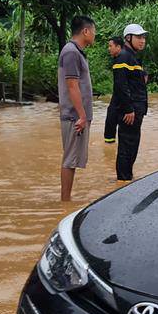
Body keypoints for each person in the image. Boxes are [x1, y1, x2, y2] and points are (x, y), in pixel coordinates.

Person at [58, 15, 96, 202]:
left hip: (77, 115)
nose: (95, 35)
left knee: (72, 159)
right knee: (70, 159)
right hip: (74, 116)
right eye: (94, 31)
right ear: (85, 31)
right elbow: (72, 85)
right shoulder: (71, 52)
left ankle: (66, 199)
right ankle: (64, 202)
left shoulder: (76, 51)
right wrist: (81, 116)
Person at [112, 24, 149, 181]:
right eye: (139, 37)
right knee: (127, 147)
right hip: (130, 111)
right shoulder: (123, 57)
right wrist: (128, 109)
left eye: (144, 37)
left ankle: (126, 178)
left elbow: (134, 83)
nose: (143, 41)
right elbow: (120, 86)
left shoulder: (132, 57)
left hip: (136, 109)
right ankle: (123, 180)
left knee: (132, 145)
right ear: (128, 38)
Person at [103, 35, 124, 144]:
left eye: (110, 46)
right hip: (117, 98)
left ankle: (110, 146)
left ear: (118, 47)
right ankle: (109, 148)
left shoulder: (122, 61)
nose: (109, 48)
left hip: (122, 100)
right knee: (110, 121)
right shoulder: (117, 60)